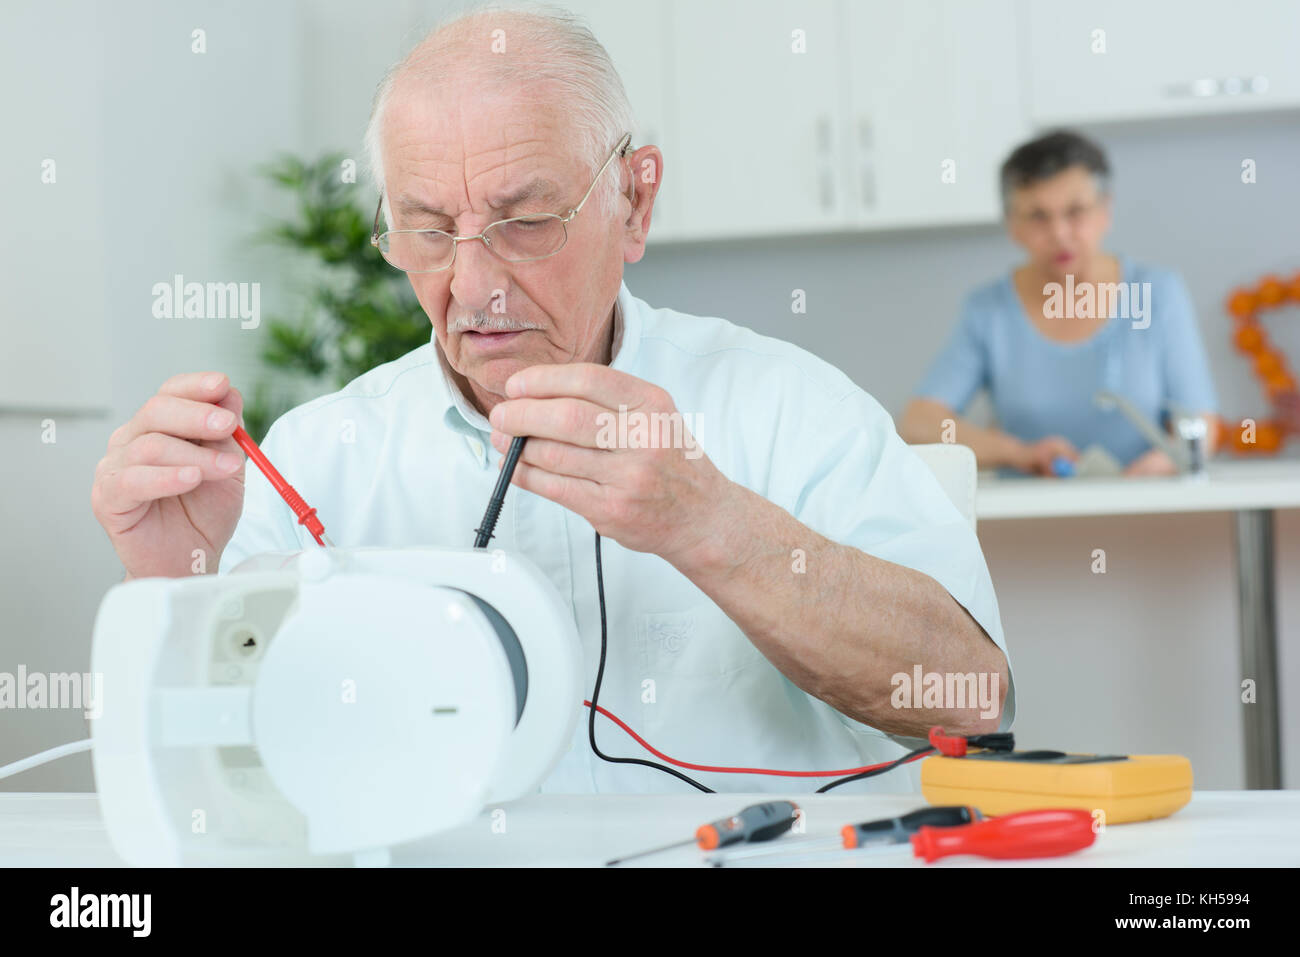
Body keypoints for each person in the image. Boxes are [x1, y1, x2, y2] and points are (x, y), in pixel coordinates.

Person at [91, 4, 1011, 793]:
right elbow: (219, 791)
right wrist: (179, 591)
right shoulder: (316, 457)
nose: (473, 282)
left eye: (524, 221)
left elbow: (974, 700)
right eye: (426, 231)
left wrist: (713, 524)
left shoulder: (789, 407)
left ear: (635, 201)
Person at [900, 130, 1221, 476]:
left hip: (1145, 512)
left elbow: (1202, 425)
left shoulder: (1157, 292)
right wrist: (1020, 453)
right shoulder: (987, 310)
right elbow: (919, 423)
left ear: (1105, 211)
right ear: (1013, 225)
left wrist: (1145, 477)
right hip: (1031, 520)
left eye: (1075, 211)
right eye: (1038, 216)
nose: (1059, 233)